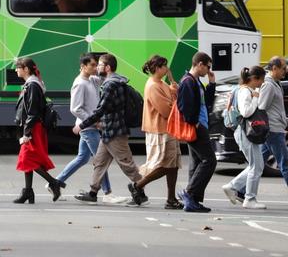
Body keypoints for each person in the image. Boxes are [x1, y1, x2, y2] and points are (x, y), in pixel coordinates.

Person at [72, 53, 147, 206]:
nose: (97, 67)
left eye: (99, 64)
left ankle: (141, 193)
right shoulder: (115, 81)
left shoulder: (110, 85)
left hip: (115, 131)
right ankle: (93, 193)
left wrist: (82, 125)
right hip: (108, 131)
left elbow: (101, 110)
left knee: (127, 164)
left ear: (107, 67)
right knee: (99, 162)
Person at [54, 54, 116, 200]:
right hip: (89, 127)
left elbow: (105, 78)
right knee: (101, 160)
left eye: (96, 65)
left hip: (90, 126)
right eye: (92, 65)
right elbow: (75, 109)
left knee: (82, 158)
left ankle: (56, 182)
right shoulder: (79, 83)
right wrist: (92, 122)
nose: (95, 67)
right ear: (83, 66)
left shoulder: (92, 79)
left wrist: (103, 68)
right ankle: (108, 193)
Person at [135, 55, 182, 209]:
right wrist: (174, 101)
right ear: (157, 68)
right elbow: (166, 111)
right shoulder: (153, 86)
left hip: (168, 129)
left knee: (173, 164)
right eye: (164, 66)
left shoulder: (161, 83)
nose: (167, 69)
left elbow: (172, 99)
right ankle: (138, 185)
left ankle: (171, 198)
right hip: (160, 130)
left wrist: (173, 86)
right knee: (164, 164)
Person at [12, 57, 62, 203]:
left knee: (27, 159)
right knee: (29, 159)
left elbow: (33, 112)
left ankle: (54, 183)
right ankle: (28, 191)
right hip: (32, 127)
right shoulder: (32, 84)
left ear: (26, 69)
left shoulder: (32, 85)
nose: (16, 70)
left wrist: (27, 133)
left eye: (18, 67)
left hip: (33, 128)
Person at [223, 65, 270, 209]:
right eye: (261, 80)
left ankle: (233, 187)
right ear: (254, 79)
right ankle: (249, 198)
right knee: (256, 166)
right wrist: (255, 98)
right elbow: (246, 112)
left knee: (256, 165)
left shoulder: (243, 89)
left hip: (245, 132)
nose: (262, 84)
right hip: (245, 132)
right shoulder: (245, 91)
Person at [176, 51, 217, 212]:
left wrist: (212, 84)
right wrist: (194, 123)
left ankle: (193, 200)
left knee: (197, 162)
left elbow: (205, 102)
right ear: (199, 64)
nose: (208, 70)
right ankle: (189, 193)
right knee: (209, 161)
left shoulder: (196, 81)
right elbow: (184, 106)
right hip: (196, 127)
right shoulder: (187, 81)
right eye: (207, 67)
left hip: (201, 125)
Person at [259, 57, 288, 195]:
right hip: (273, 130)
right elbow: (262, 107)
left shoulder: (276, 83)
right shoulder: (269, 85)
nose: (286, 71)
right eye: (284, 68)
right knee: (285, 163)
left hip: (276, 128)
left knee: (258, 164)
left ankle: (238, 189)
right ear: (274, 68)